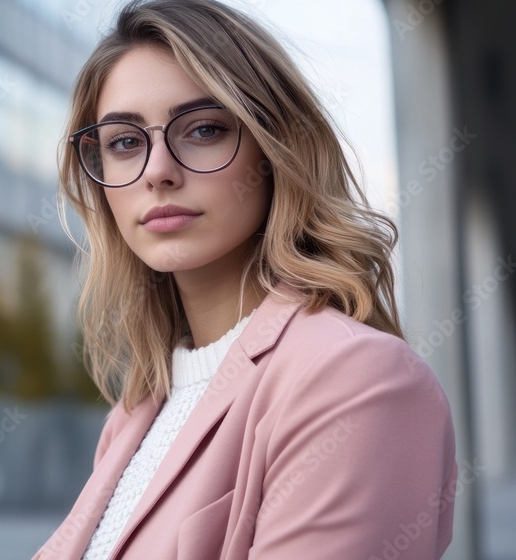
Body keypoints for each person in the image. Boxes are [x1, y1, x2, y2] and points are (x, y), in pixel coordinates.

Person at [33, 1, 458, 558]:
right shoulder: (137, 410)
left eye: (204, 129)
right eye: (124, 142)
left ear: (275, 148)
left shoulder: (356, 380)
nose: (159, 170)